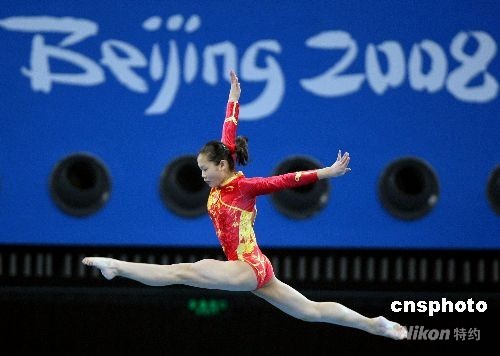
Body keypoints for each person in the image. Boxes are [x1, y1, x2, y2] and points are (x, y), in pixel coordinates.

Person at [83, 71, 407, 340]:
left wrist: (328, 172)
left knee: (182, 271)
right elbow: (229, 128)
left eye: (205, 170)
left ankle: (116, 266)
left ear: (222, 166)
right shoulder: (224, 161)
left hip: (248, 266)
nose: (202, 175)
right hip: (253, 266)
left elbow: (286, 179)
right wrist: (234, 97)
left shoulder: (244, 187)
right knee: (310, 311)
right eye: (200, 170)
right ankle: (374, 324)